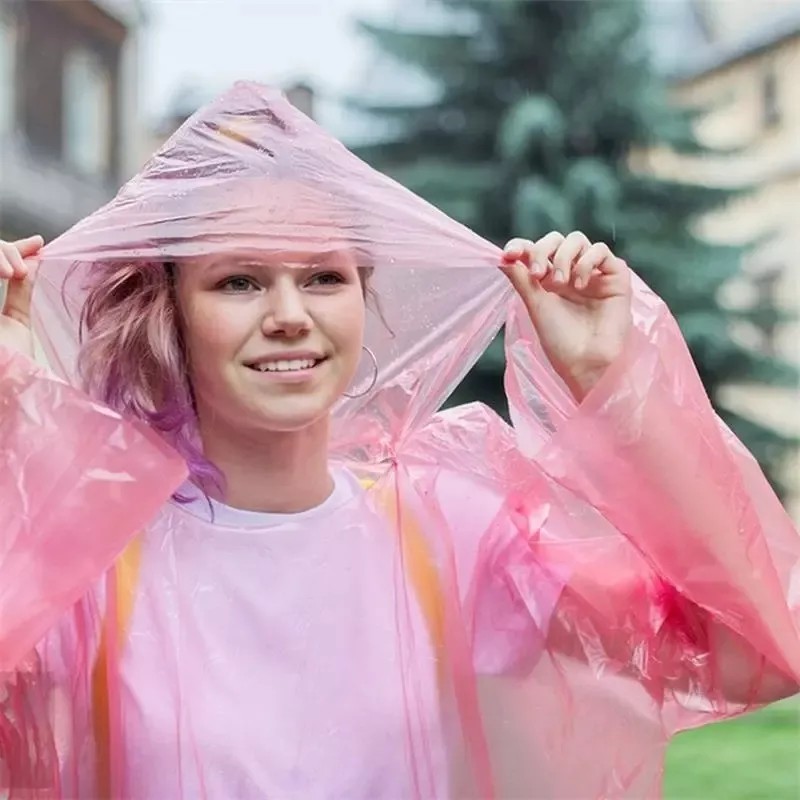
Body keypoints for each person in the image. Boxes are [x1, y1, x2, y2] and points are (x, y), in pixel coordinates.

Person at [0, 82, 798, 799]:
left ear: (362, 301)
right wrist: (14, 424)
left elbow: (749, 652)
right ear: (170, 312)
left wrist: (610, 381)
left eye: (323, 277)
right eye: (239, 281)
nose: (289, 313)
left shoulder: (454, 532)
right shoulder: (91, 557)